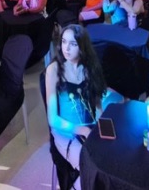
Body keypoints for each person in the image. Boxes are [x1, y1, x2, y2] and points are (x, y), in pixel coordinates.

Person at [45, 25, 107, 187]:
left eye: (73, 44)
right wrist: (82, 130)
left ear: (82, 46)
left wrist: (101, 126)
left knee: (110, 163)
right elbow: (53, 119)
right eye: (64, 42)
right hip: (65, 132)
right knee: (91, 170)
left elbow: (97, 105)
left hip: (90, 126)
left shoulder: (89, 67)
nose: (66, 48)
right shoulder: (53, 70)